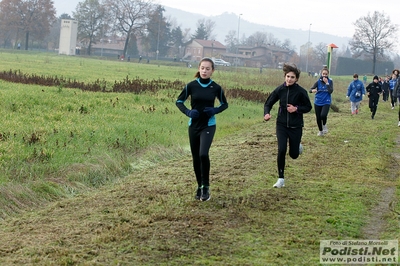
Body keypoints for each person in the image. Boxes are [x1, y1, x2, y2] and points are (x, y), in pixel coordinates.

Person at [176, 57, 228, 201]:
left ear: (212, 71)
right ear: (199, 68)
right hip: (194, 126)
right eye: (202, 68)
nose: (204, 71)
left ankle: (206, 187)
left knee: (203, 154)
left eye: (208, 69)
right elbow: (179, 101)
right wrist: (188, 112)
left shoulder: (216, 88)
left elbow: (225, 104)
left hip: (209, 125)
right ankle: (199, 187)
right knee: (196, 157)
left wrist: (214, 110)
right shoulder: (191, 86)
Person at [263, 63, 312, 188]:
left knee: (293, 155)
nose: (289, 79)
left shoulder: (301, 92)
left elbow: (308, 107)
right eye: (288, 76)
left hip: (296, 126)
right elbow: (268, 103)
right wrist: (266, 114)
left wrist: (296, 109)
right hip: (282, 125)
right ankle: (281, 179)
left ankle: (298, 147)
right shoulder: (280, 90)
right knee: (281, 150)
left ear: (296, 79)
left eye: (292, 77)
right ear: (285, 76)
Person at [309, 67, 333, 136]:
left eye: (326, 74)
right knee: (318, 117)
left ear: (328, 74)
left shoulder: (330, 82)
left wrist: (327, 83)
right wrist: (312, 90)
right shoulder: (318, 82)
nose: (324, 75)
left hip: (326, 101)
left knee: (323, 115)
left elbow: (330, 91)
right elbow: (310, 89)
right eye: (323, 74)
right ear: (321, 74)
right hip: (318, 101)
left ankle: (324, 125)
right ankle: (320, 131)